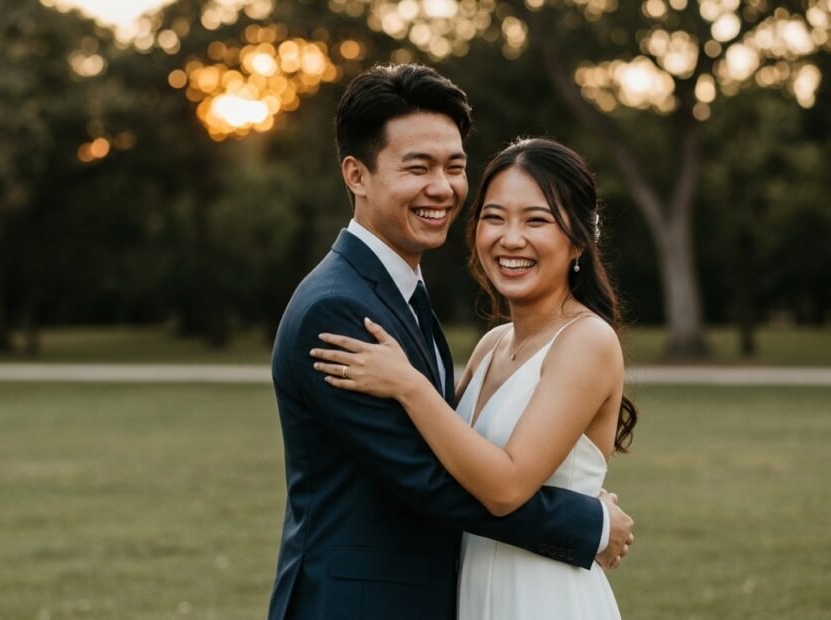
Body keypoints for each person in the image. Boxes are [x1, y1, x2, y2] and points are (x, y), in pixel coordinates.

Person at [268, 65, 634, 620]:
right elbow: (430, 479)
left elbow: (465, 463)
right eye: (418, 167)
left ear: (578, 238)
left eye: (454, 167)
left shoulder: (404, 297)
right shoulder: (340, 307)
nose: (441, 187)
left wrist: (413, 388)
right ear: (356, 175)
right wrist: (588, 523)